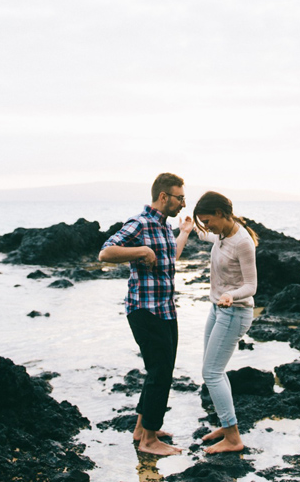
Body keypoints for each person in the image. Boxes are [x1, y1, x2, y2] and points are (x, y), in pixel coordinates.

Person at [98, 173, 194, 456]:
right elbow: (105, 253)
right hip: (144, 309)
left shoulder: (164, 226)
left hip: (165, 309)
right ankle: (149, 441)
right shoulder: (140, 223)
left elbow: (170, 258)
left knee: (160, 370)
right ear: (163, 196)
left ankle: (142, 429)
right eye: (180, 198)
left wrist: (185, 232)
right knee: (160, 372)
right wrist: (140, 251)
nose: (183, 204)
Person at [192, 191, 258, 454]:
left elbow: (251, 286)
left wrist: (232, 295)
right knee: (214, 371)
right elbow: (206, 235)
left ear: (220, 213)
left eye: (208, 221)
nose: (206, 227)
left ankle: (233, 438)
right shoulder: (221, 234)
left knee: (211, 372)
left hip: (235, 312)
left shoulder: (243, 242)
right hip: (218, 309)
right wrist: (191, 227)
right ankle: (226, 425)